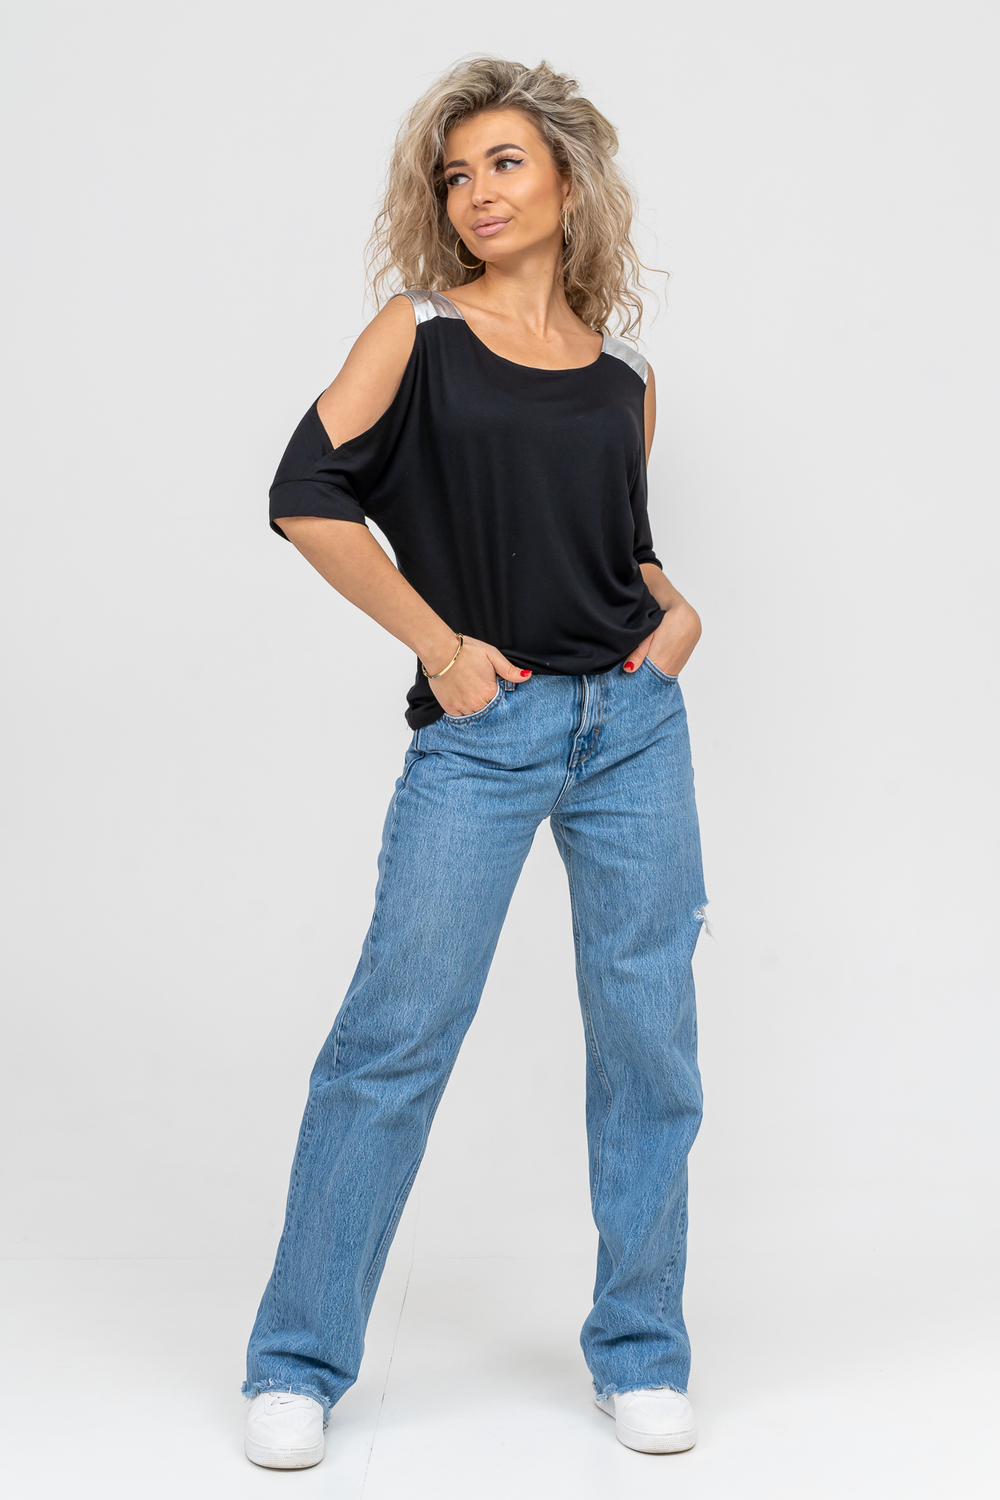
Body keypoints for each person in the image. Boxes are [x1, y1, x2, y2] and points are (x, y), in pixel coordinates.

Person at [242, 56, 708, 1470]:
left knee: (650, 1047)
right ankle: (297, 1362)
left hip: (632, 731)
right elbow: (305, 496)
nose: (477, 193)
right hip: (487, 734)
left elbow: (617, 548)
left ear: (569, 178)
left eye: (505, 163)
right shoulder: (422, 332)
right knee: (394, 1038)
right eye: (456, 174)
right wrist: (441, 648)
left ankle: (643, 1351)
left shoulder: (626, 377)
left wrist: (674, 613)